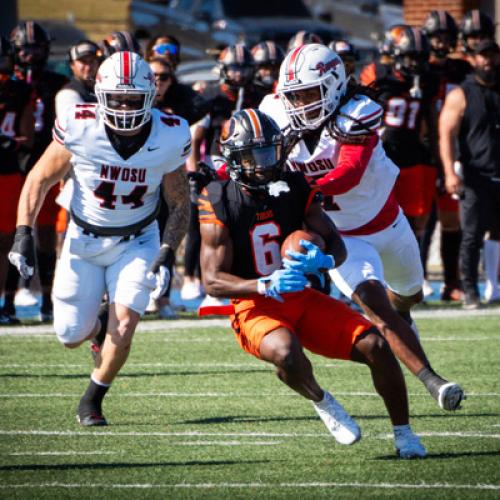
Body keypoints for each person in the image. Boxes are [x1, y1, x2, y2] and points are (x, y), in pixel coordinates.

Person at [198, 108, 426, 458]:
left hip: (302, 296)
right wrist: (263, 284)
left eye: (268, 152)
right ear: (233, 158)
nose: (262, 163)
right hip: (255, 304)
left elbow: (335, 243)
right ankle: (321, 400)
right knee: (287, 353)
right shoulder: (217, 197)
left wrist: (323, 261)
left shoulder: (294, 184)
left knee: (376, 347)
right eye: (252, 156)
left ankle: (405, 434)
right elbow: (212, 280)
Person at [261, 43, 464, 411]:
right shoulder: (276, 112)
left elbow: (349, 173)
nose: (301, 104)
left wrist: (304, 187)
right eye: (294, 95)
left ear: (335, 85)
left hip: (388, 224)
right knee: (376, 308)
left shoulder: (359, 111)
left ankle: (402, 312)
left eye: (309, 93)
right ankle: (434, 382)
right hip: (341, 237)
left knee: (408, 296)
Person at [8, 51, 191, 425]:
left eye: (133, 99)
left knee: (124, 328)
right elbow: (39, 178)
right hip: (82, 239)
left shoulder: (170, 133)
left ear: (151, 96)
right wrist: (23, 233)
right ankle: (96, 325)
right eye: (117, 99)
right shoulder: (80, 126)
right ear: (99, 96)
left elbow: (179, 202)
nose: (124, 108)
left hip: (138, 239)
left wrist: (169, 250)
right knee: (69, 335)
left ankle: (93, 398)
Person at [183, 44, 261, 306]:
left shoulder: (258, 96)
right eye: (234, 69)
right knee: (208, 227)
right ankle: (202, 280)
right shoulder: (213, 99)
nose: (239, 75)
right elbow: (196, 138)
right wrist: (193, 173)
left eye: (243, 69)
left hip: (250, 171)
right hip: (217, 171)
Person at [5, 21, 69, 323]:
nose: (31, 55)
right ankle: (10, 298)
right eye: (25, 49)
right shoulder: (9, 84)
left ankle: (46, 296)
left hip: (47, 164)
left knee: (45, 235)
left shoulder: (58, 83)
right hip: (12, 166)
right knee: (9, 236)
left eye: (36, 49)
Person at [439, 39, 500, 308]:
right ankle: (470, 289)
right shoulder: (462, 94)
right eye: (482, 56)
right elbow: (445, 134)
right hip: (475, 174)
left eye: (492, 55)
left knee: (498, 232)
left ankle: (493, 286)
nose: (487, 61)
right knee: (472, 235)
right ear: (473, 59)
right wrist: (450, 172)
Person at [422, 10, 471, 301]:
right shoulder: (418, 69)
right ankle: (421, 277)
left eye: (445, 37)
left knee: (451, 219)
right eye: (435, 36)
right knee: (421, 219)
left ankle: (452, 280)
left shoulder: (461, 69)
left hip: (453, 149)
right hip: (422, 153)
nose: (440, 42)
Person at [374, 26, 436, 244]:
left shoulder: (427, 82)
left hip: (411, 155)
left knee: (412, 218)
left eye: (420, 58)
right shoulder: (379, 77)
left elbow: (431, 120)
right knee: (381, 215)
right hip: (382, 154)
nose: (415, 64)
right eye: (411, 57)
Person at [0, 36, 34, 324]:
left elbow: (27, 138)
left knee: (7, 240)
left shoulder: (21, 91)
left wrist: (11, 143)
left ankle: (8, 302)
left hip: (8, 172)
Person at [55, 40, 100, 118]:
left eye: (91, 61)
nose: (88, 67)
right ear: (72, 65)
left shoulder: (103, 88)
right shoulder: (67, 94)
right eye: (83, 62)